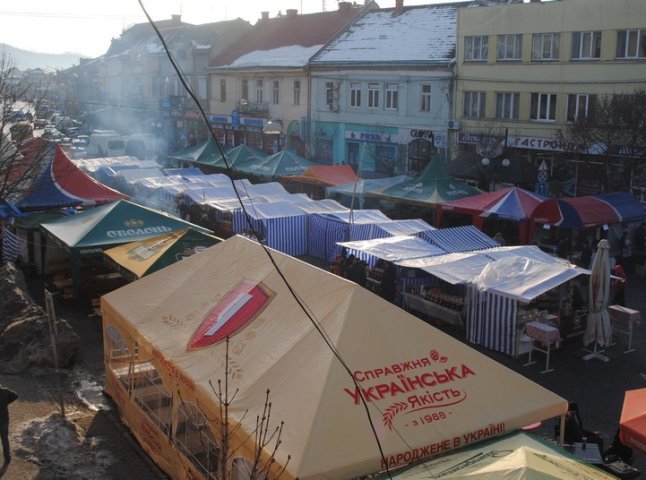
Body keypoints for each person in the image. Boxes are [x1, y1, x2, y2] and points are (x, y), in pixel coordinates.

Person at [0, 385, 18, 466]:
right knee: (5, 440)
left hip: (3, 420)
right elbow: (15, 396)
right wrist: (6, 402)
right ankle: (7, 458)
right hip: (4, 419)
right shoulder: (5, 391)